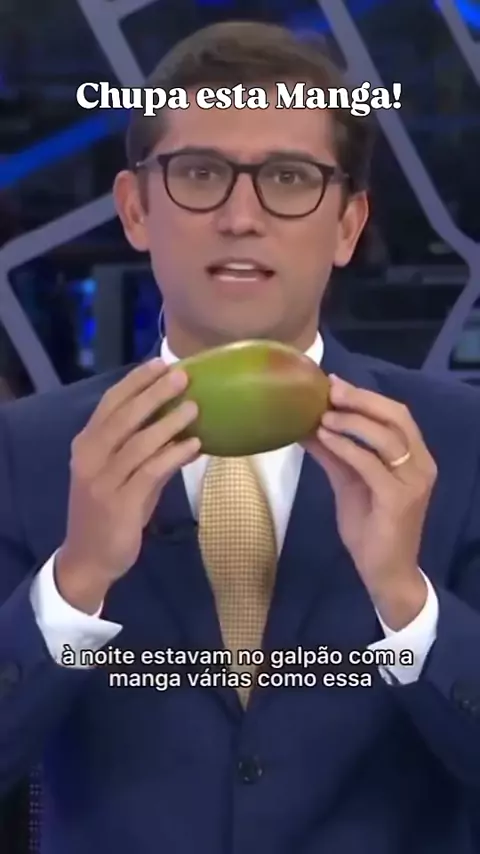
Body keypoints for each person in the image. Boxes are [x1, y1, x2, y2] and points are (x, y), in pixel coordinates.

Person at [0, 20, 479, 854]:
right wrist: (75, 583)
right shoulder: (26, 451)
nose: (240, 216)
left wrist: (405, 599)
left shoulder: (462, 444)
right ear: (135, 209)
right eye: (200, 173)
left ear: (349, 224)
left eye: (289, 178)